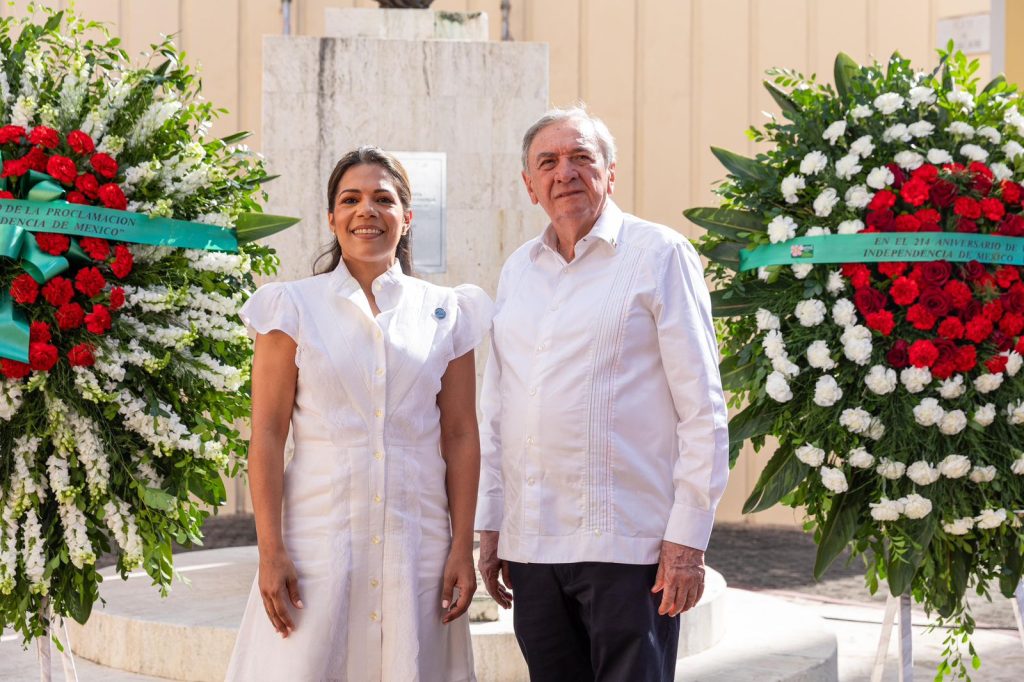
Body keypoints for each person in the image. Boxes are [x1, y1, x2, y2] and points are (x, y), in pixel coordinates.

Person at [475, 107, 729, 681]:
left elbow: (703, 409)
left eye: (581, 158)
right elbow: (498, 409)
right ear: (529, 184)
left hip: (629, 548)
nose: (565, 172)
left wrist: (686, 543)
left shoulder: (659, 254)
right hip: (534, 548)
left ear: (610, 173)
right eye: (549, 162)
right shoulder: (518, 270)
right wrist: (492, 525)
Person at [226, 146, 491, 681]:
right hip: (316, 539)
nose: (366, 210)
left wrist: (463, 546)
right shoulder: (291, 307)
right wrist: (270, 551)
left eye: (383, 199)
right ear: (331, 217)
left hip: (417, 543)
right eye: (351, 199)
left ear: (407, 217)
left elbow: (461, 434)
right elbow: (269, 435)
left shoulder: (446, 312)